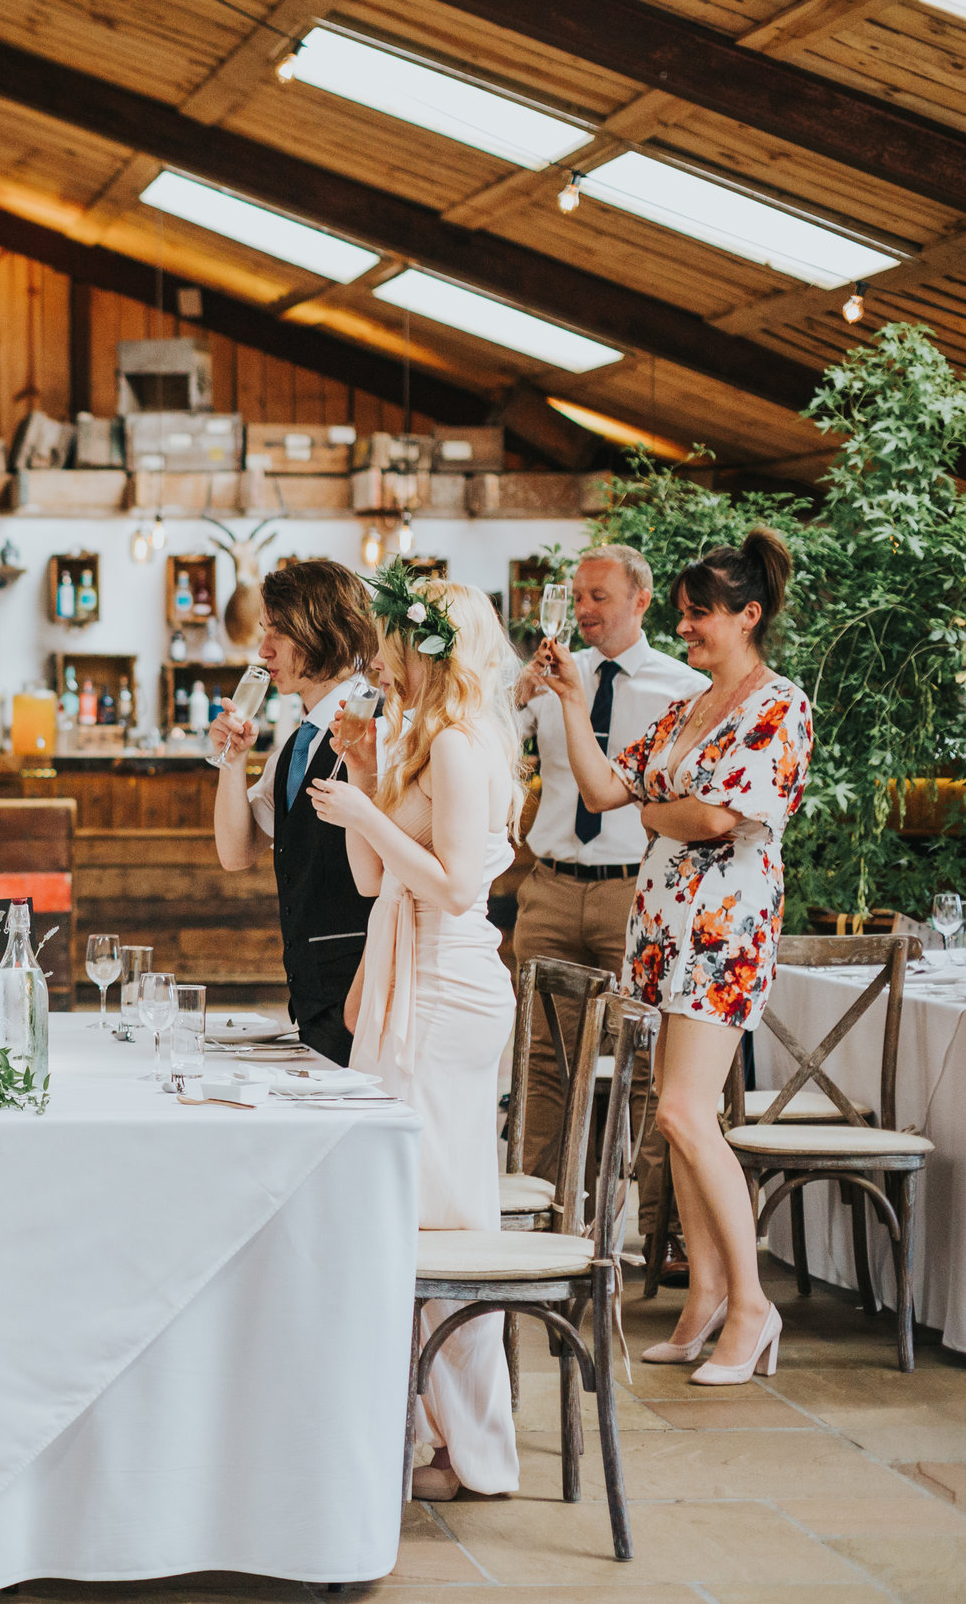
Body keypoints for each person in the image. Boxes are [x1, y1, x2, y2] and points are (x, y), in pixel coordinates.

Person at [542, 530, 811, 1385]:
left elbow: (715, 821)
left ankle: (752, 1305)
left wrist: (658, 811)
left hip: (724, 930)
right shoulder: (686, 707)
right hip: (663, 927)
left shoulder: (780, 705)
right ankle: (704, 1298)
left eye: (700, 616)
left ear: (749, 615)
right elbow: (600, 790)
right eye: (686, 615)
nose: (687, 629)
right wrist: (572, 706)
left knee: (686, 1113)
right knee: (676, 1112)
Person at [304, 568, 521, 1500]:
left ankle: (471, 1449)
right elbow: (366, 881)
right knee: (405, 1210)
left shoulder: (466, 749)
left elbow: (458, 885)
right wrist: (361, 778)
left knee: (442, 1217)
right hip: (406, 974)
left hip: (446, 988)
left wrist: (368, 814)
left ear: (430, 651)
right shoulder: (419, 745)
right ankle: (431, 1435)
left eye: (393, 642)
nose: (380, 661)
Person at [512, 545, 705, 1245]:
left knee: (652, 1062)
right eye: (578, 596)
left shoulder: (685, 688)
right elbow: (503, 754)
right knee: (542, 1062)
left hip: (639, 893)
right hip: (554, 888)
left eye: (599, 596)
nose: (585, 609)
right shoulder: (552, 677)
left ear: (641, 600)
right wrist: (518, 695)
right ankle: (536, 1220)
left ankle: (659, 1235)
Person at [207, 558, 379, 1062]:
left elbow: (397, 881)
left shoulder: (378, 728)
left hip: (359, 1001)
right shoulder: (295, 743)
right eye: (265, 631)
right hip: (314, 1000)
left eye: (279, 633)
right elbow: (237, 853)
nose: (263, 650)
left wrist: (359, 1001)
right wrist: (232, 764)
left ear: (324, 632)